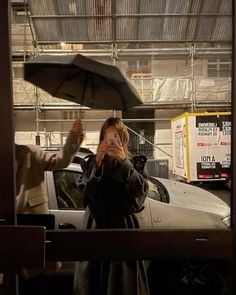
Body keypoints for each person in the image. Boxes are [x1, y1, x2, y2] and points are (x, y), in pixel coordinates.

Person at [74, 117, 150, 295]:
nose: (111, 141)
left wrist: (124, 163)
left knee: (123, 282)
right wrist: (98, 165)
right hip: (95, 228)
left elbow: (139, 193)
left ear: (122, 140)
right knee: (93, 280)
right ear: (101, 139)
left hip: (123, 227)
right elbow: (86, 192)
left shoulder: (135, 165)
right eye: (107, 136)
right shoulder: (90, 163)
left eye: (115, 136)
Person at [15, 118, 84, 295]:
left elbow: (61, 160)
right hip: (9, 243)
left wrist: (74, 137)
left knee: (34, 285)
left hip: (31, 241)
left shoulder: (30, 152)